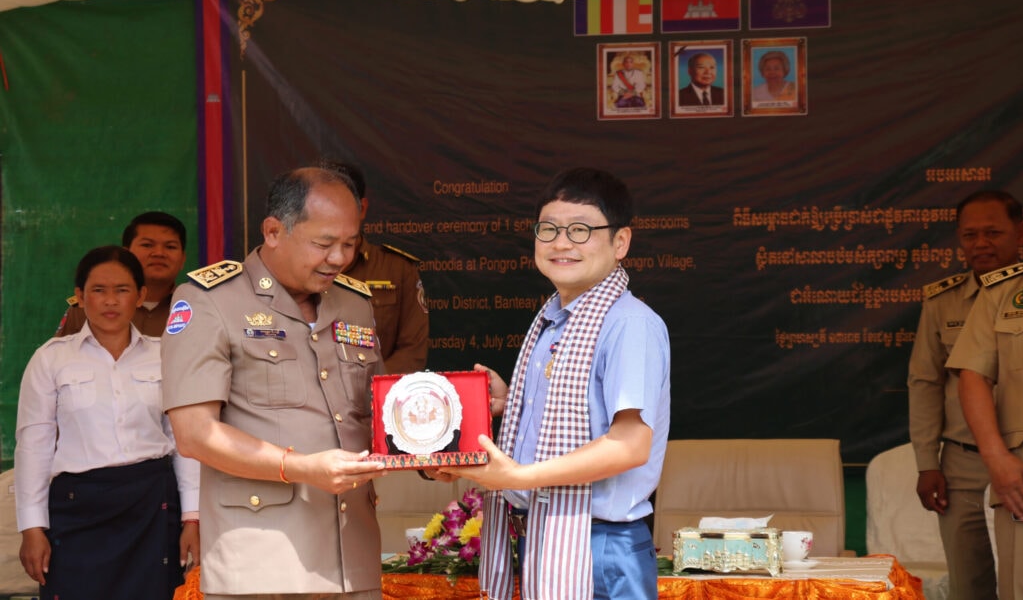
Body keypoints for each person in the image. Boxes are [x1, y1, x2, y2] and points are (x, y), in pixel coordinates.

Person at [443, 167, 671, 600]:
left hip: (601, 546)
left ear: (620, 242)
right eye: (548, 229)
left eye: (581, 230)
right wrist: (511, 404)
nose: (561, 243)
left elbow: (630, 444)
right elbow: (580, 417)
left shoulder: (630, 324)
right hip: (546, 536)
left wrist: (521, 476)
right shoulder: (553, 321)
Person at [161, 166, 388, 600]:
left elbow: (379, 414)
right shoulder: (210, 300)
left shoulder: (355, 303)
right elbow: (194, 434)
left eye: (349, 243)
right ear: (273, 231)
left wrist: (431, 453)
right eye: (323, 244)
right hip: (261, 564)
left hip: (353, 562)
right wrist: (302, 468)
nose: (339, 258)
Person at [15, 245, 200, 600]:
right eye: (99, 290)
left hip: (152, 505)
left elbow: (183, 442)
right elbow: (33, 448)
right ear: (80, 297)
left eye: (122, 290)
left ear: (140, 296)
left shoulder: (166, 355)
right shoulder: (51, 359)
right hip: (76, 508)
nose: (110, 301)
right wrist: (32, 527)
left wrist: (192, 517)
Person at [908, 190, 1022, 600]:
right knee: (967, 583)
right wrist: (927, 462)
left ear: (1020, 233)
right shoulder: (942, 300)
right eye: (970, 235)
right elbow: (924, 382)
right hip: (961, 460)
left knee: (1018, 582)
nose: (981, 244)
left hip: (1020, 459)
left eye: (993, 232)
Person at [318, 161, 429, 374]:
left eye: (341, 206)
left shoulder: (397, 270)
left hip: (375, 399)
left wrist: (370, 388)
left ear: (362, 209)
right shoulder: (296, 269)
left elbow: (412, 351)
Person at [56, 211, 188, 337]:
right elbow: (60, 356)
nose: (159, 253)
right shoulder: (85, 307)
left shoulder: (195, 305)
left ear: (182, 259)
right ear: (127, 254)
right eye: (147, 245)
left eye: (170, 247)